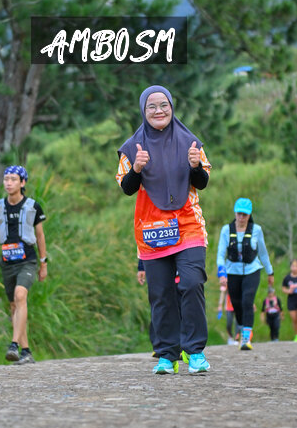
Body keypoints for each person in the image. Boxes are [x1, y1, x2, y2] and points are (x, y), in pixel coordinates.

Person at [117, 85, 211, 375]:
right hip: (152, 230)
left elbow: (203, 181)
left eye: (164, 105)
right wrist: (136, 169)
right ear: (143, 111)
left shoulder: (191, 142)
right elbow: (126, 188)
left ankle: (195, 351)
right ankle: (167, 355)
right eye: (152, 107)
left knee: (191, 283)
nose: (159, 111)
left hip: (188, 225)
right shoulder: (132, 148)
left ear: (172, 107)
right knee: (161, 294)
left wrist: (195, 166)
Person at [0, 165, 47, 364]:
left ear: (22, 182)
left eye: (13, 179)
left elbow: (40, 236)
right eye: (6, 179)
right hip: (7, 262)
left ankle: (13, 344)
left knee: (20, 295)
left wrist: (43, 263)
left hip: (28, 260)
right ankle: (26, 351)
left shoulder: (33, 207)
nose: (8, 183)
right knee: (13, 305)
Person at [216, 198, 274, 350]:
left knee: (247, 301)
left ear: (249, 215)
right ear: (235, 213)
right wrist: (221, 273)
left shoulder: (257, 230)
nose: (241, 217)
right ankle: (242, 328)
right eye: (239, 214)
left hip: (251, 270)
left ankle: (246, 338)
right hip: (232, 271)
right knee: (237, 304)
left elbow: (263, 253)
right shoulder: (226, 230)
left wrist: (270, 272)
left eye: (245, 215)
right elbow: (220, 254)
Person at [217, 267, 239, 345]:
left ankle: (236, 339)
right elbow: (222, 294)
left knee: (237, 323)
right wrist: (220, 305)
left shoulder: (239, 281)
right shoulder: (226, 282)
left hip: (237, 305)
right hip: (229, 306)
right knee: (229, 323)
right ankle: (230, 337)